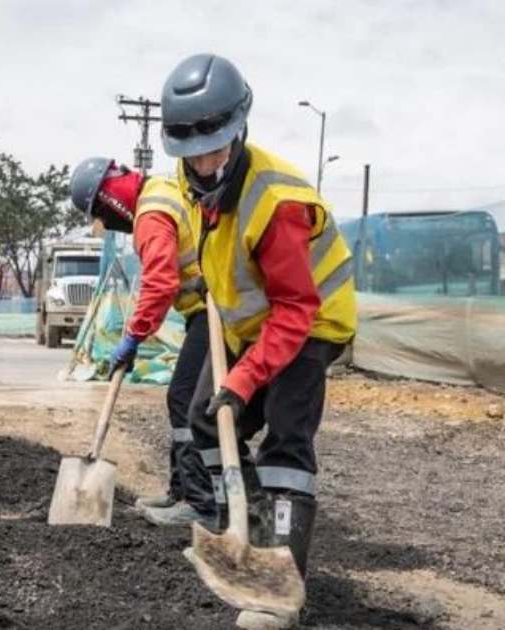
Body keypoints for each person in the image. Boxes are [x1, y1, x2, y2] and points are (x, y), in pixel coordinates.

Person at [161, 53, 357, 626]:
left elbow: (297, 307)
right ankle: (238, 533)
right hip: (251, 325)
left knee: (285, 447)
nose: (204, 162)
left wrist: (245, 379)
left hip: (311, 324)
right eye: (191, 152)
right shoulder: (190, 182)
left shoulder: (277, 201)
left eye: (216, 148)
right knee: (203, 418)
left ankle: (280, 589)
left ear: (238, 131)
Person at [68, 157, 214, 526]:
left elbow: (159, 281)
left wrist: (134, 337)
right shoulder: (162, 190)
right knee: (184, 396)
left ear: (109, 197)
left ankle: (200, 502)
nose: (107, 221)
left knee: (185, 398)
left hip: (217, 310)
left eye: (100, 211)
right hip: (209, 304)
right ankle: (182, 491)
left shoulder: (150, 212)